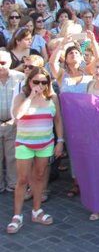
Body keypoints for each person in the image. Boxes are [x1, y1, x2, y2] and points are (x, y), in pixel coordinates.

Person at [7, 67, 64, 234]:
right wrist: (31, 96)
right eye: (36, 81)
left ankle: (36, 211)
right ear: (29, 82)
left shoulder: (52, 98)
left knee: (39, 177)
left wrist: (60, 141)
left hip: (45, 143)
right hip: (24, 143)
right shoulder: (21, 96)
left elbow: (58, 120)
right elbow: (18, 115)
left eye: (43, 82)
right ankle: (17, 216)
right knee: (22, 180)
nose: (40, 85)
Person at [0, 50, 23, 194]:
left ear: (10, 63)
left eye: (3, 63)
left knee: (12, 156)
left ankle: (13, 183)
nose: (0, 66)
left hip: (12, 122)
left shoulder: (21, 78)